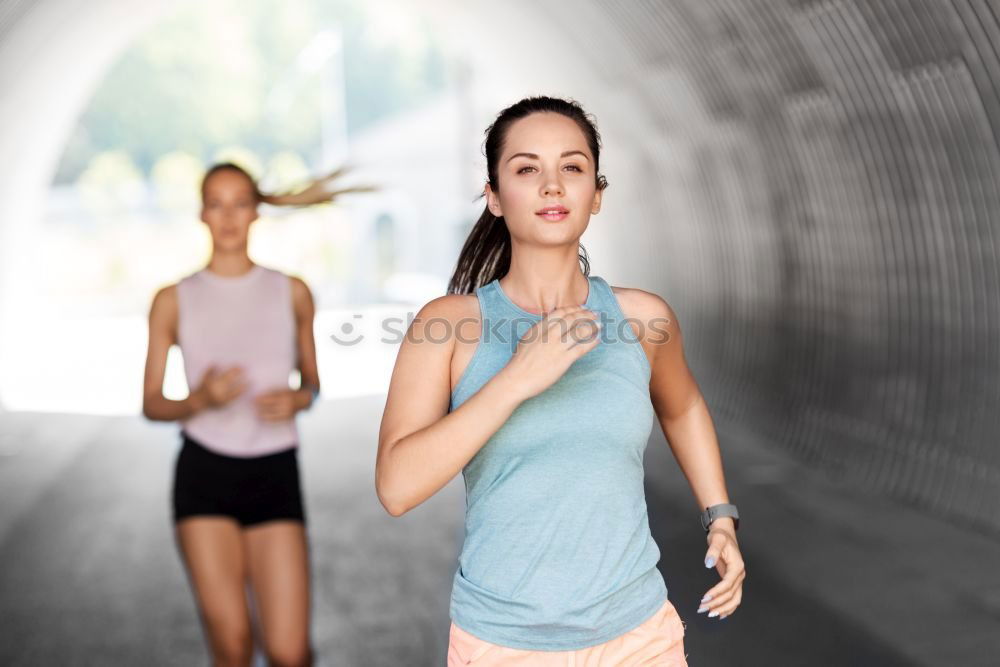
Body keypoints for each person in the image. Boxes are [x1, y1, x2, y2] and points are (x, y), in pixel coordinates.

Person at [376, 96, 745, 665]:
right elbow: (397, 488)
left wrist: (719, 515)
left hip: (639, 634)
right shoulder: (447, 325)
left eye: (571, 168)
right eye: (527, 169)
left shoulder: (643, 319)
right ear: (495, 197)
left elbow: (683, 405)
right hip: (503, 642)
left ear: (596, 193)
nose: (552, 186)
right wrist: (517, 378)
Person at [142, 162, 369, 667]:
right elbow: (152, 403)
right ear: (202, 213)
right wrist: (200, 400)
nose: (228, 216)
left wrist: (298, 397)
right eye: (217, 203)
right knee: (234, 648)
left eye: (240, 203)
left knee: (290, 652)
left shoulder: (291, 291)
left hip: (274, 472)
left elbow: (312, 384)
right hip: (204, 473)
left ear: (256, 212)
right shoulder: (172, 300)